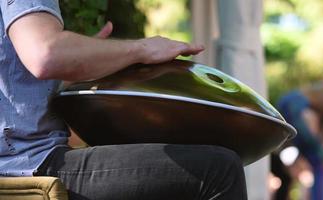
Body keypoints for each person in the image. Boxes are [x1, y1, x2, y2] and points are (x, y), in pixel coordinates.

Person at [0, 1, 248, 200]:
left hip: (14, 165)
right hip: (32, 166)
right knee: (219, 170)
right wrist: (143, 49)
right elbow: (46, 54)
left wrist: (86, 59)